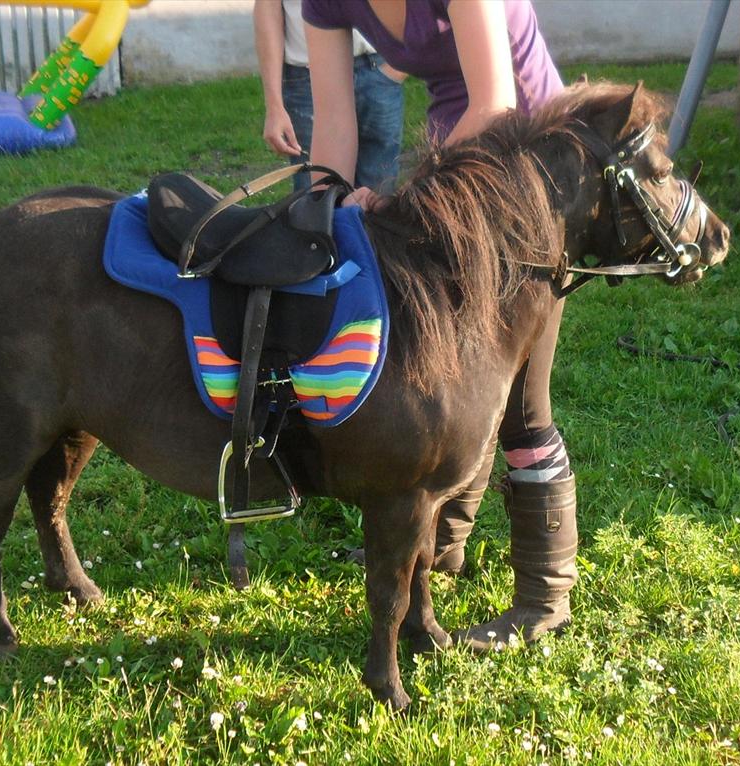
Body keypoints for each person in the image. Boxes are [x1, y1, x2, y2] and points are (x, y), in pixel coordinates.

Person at [303, 0, 573, 650]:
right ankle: (437, 544)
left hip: (534, 167)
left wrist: (401, 202)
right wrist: (319, 211)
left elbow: (497, 107)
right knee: (452, 374)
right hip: (454, 164)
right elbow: (336, 123)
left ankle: (544, 598)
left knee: (520, 403)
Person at [253, 0, 405, 193]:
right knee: (320, 197)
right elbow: (268, 9)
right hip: (309, 77)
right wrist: (274, 105)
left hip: (376, 67)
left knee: (379, 191)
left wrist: (396, 69)